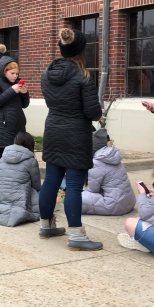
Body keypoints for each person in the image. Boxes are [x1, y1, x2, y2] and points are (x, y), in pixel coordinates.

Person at [39, 28, 104, 251]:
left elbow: (52, 102)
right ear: (81, 50)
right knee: (74, 186)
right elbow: (92, 112)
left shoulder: (47, 73)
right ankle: (76, 234)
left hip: (53, 130)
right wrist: (99, 113)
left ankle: (46, 225)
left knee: (51, 180)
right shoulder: (83, 76)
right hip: (76, 134)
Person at [0, 132, 41, 227]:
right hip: (19, 198)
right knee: (42, 190)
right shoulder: (31, 161)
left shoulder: (2, 158)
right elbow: (36, 186)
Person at [0, 56, 29, 187]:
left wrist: (24, 93)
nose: (15, 76)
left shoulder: (15, 84)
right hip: (2, 126)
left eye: (17, 73)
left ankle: (13, 182)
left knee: (17, 154)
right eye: (12, 73)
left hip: (17, 124)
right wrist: (11, 91)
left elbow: (24, 105)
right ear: (4, 71)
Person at [81, 128, 136, 216]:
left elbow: (92, 190)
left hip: (114, 205)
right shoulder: (110, 156)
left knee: (75, 198)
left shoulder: (96, 163)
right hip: (129, 202)